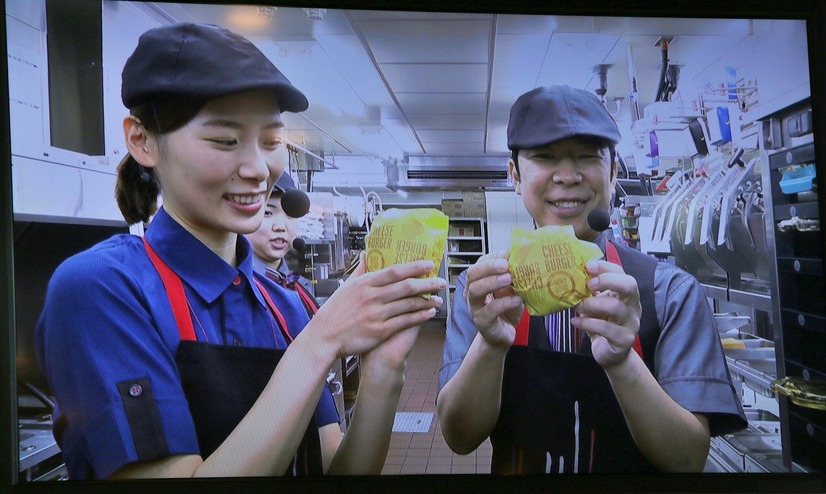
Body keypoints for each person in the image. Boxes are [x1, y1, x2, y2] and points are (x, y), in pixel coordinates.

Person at [35, 22, 444, 480]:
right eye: (225, 141)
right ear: (142, 140)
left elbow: (335, 470)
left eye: (271, 142)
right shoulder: (101, 290)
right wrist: (322, 340)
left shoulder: (283, 305)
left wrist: (385, 370)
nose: (257, 168)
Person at [436, 85, 746, 474]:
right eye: (544, 157)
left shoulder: (670, 293)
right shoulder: (482, 291)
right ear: (514, 174)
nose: (567, 175)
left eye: (588, 156)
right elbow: (459, 438)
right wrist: (490, 344)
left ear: (614, 171)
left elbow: (686, 459)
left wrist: (622, 362)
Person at [248, 173, 318, 315]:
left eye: (290, 215)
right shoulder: (236, 289)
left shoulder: (299, 286)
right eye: (267, 213)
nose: (280, 226)